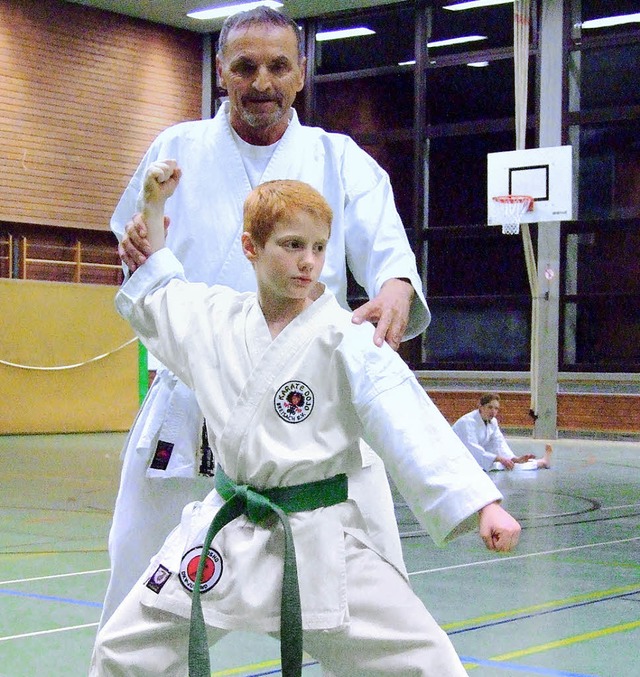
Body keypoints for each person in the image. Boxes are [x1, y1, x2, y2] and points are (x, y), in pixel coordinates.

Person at [91, 163, 521, 676]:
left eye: (319, 248)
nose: (308, 262)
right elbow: (162, 291)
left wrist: (481, 506)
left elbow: (406, 418)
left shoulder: (349, 338)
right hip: (228, 529)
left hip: (319, 539)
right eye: (292, 245)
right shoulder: (216, 319)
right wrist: (154, 208)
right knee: (123, 649)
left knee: (426, 661)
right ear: (251, 247)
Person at [101, 6, 431, 630]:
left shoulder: (340, 159)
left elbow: (388, 252)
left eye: (278, 66)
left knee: (377, 583)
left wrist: (394, 290)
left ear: (301, 74)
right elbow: (139, 253)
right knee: (136, 575)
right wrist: (141, 254)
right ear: (221, 71)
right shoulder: (176, 149)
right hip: (193, 393)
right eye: (245, 66)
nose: (262, 83)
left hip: (309, 398)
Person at [452, 393, 553, 472]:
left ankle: (543, 462)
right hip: (455, 459)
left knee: (508, 465)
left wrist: (514, 459)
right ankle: (542, 462)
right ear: (480, 406)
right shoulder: (467, 422)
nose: (493, 411)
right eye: (490, 407)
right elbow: (473, 449)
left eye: (496, 408)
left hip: (473, 458)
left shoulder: (492, 421)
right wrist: (499, 459)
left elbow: (499, 444)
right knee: (500, 464)